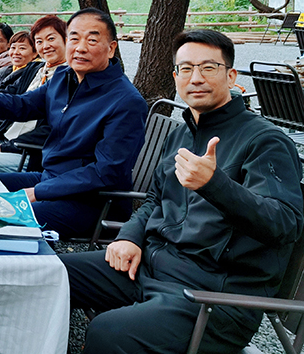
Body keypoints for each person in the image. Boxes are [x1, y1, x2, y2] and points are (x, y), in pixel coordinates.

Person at [60, 29, 304, 354]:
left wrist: (214, 185)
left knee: (108, 332)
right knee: (54, 273)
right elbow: (154, 199)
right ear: (176, 77)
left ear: (231, 76)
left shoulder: (265, 141)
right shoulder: (181, 134)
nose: (196, 78)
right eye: (186, 68)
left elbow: (285, 223)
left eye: (208, 67)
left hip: (212, 297)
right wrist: (130, 236)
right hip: (152, 267)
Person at [0, 8, 147, 237]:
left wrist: (38, 192)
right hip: (50, 178)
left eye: (91, 40)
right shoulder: (63, 77)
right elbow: (24, 105)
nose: (80, 48)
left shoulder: (126, 102)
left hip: (91, 201)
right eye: (74, 38)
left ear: (111, 48)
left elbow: (106, 172)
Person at [0, 15, 68, 171]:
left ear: (66, 40)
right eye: (39, 41)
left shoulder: (69, 78)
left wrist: (11, 145)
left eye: (51, 39)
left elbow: (55, 128)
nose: (45, 46)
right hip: (5, 139)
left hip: (28, 151)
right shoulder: (34, 70)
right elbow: (16, 101)